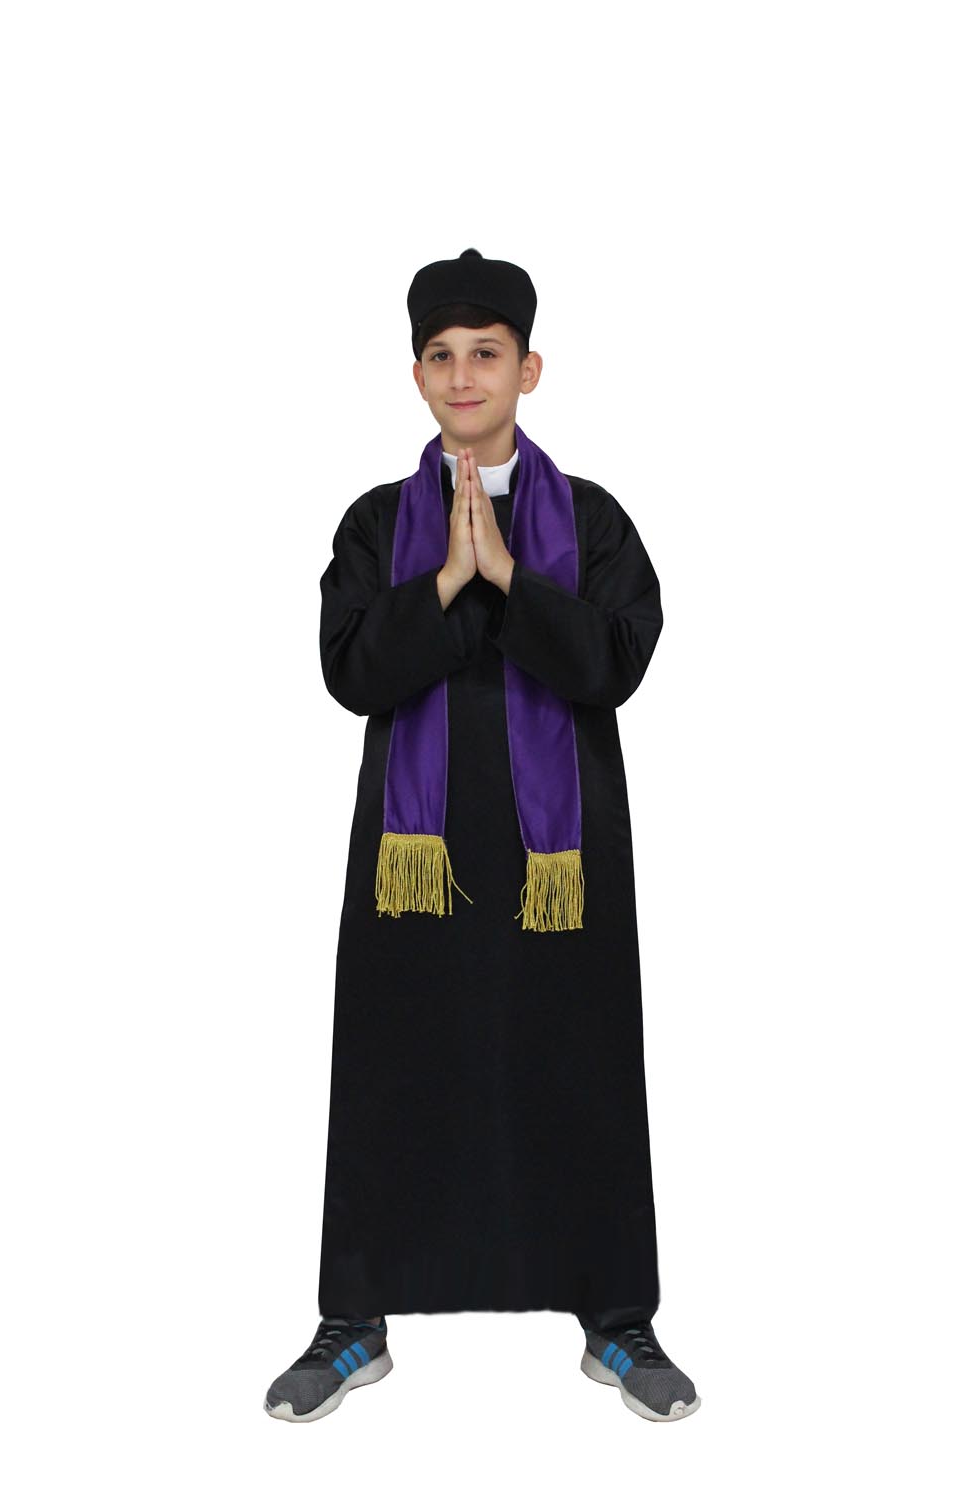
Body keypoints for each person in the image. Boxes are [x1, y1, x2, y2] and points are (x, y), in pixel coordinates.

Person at [263, 249, 700, 1423]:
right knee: (392, 1065)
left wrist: (506, 574)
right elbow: (352, 673)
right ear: (417, 375)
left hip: (560, 855)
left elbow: (612, 665)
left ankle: (617, 1318)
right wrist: (445, 583)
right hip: (420, 855)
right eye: (441, 356)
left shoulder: (592, 521)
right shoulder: (375, 523)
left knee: (581, 1064)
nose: (464, 376)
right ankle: (355, 1320)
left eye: (486, 355)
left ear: (528, 370)